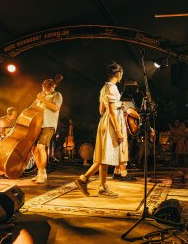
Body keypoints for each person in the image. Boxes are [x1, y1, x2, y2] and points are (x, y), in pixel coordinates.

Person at [75, 61, 128, 198]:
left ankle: (94, 183)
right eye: (121, 73)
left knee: (103, 156)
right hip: (111, 123)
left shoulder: (104, 88)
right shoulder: (113, 88)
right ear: (118, 74)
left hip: (104, 122)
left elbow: (101, 110)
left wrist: (117, 105)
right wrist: (118, 131)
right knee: (104, 156)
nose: (122, 76)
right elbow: (110, 111)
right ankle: (91, 182)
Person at [31, 74, 63, 184]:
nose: (45, 86)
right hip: (38, 125)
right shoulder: (42, 97)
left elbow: (55, 107)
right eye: (44, 84)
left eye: (47, 84)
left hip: (49, 124)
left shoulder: (57, 95)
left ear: (52, 86)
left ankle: (42, 173)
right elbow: (32, 109)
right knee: (34, 150)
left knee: (40, 148)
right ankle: (41, 173)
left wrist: (42, 99)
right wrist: (38, 99)